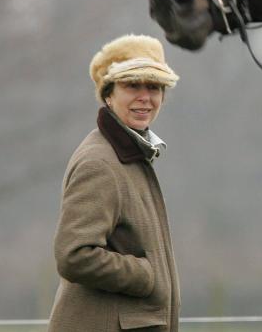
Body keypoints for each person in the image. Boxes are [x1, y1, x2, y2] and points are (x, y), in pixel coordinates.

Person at [49, 34, 181, 331]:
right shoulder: (100, 163)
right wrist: (147, 275)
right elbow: (74, 255)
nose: (145, 97)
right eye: (133, 85)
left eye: (154, 87)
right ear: (108, 94)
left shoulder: (131, 154)